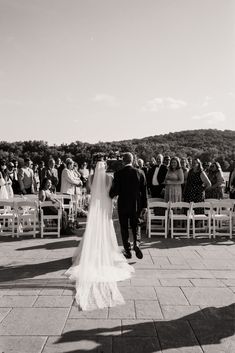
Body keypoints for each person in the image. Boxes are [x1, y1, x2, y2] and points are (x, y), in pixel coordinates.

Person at [65, 161, 134, 311]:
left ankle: (92, 251)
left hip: (95, 206)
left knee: (94, 229)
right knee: (106, 227)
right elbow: (113, 193)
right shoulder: (110, 178)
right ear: (106, 168)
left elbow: (88, 191)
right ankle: (105, 251)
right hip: (106, 206)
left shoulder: (90, 178)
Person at [109, 152, 147, 259]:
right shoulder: (140, 172)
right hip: (136, 204)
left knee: (124, 227)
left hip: (123, 204)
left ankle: (127, 251)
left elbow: (115, 191)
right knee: (136, 225)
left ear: (123, 161)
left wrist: (108, 193)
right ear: (132, 160)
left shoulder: (118, 174)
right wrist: (145, 206)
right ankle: (137, 244)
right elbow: (144, 191)